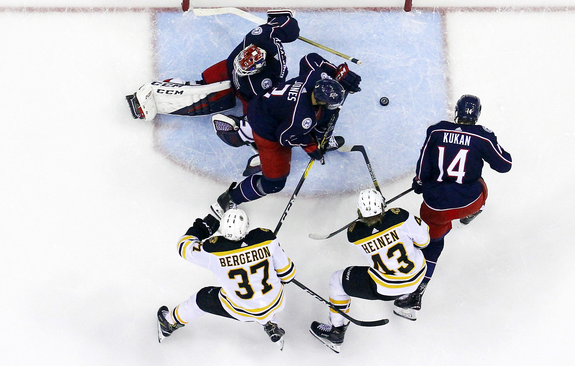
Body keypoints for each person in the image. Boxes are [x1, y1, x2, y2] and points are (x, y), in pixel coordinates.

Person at [394, 94, 512, 320]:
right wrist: (490, 142)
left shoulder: (437, 131)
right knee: (480, 185)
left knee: (433, 245)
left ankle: (414, 295)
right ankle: (473, 213)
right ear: (477, 114)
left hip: (435, 206)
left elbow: (423, 162)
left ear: (456, 112)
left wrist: (420, 182)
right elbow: (505, 165)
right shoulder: (483, 137)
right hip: (467, 201)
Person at [210, 52, 362, 214]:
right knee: (274, 183)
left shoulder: (314, 76)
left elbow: (309, 59)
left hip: (263, 104)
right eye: (329, 103)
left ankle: (243, 128)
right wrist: (311, 148)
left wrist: (337, 73)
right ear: (320, 100)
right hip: (267, 130)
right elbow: (284, 138)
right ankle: (229, 199)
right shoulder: (303, 118)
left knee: (324, 115)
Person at [309, 189, 430, 353]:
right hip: (418, 275)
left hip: (386, 287)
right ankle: (407, 299)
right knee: (409, 259)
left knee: (337, 280)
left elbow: (368, 229)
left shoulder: (355, 233)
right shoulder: (400, 216)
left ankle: (336, 331)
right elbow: (424, 241)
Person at [156, 208, 297, 350]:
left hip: (242, 310)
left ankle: (169, 322)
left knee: (202, 298)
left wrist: (201, 229)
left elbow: (183, 247)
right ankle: (269, 323)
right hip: (277, 301)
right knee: (262, 296)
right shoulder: (266, 239)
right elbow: (288, 274)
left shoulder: (214, 250)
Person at [126, 10, 300, 120]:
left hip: (247, 90)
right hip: (229, 70)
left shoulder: (271, 77)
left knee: (251, 115)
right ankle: (180, 85)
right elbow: (282, 24)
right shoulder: (260, 36)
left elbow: (269, 100)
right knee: (207, 82)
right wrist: (284, 21)